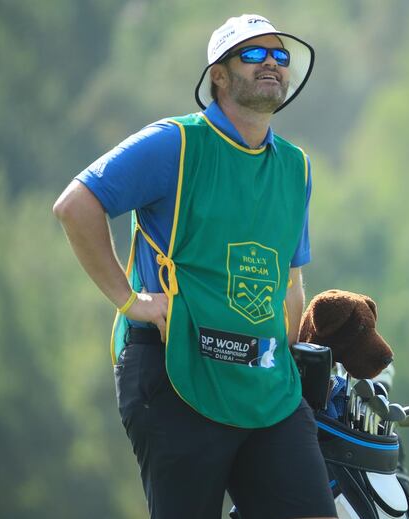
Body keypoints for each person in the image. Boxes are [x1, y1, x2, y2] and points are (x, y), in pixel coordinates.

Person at [53, 14, 336, 519]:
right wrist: (129, 300)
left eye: (279, 54)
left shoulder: (296, 167)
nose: (270, 61)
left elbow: (289, 283)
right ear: (219, 76)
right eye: (252, 53)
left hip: (267, 386)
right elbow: (76, 206)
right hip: (174, 372)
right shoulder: (175, 143)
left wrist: (296, 356)